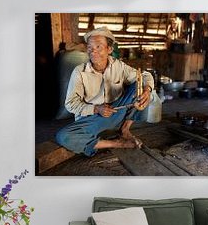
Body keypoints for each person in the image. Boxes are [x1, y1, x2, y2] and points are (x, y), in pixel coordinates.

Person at [56, 26, 154, 157]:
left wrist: (147, 91)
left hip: (118, 111)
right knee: (63, 137)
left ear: (109, 49)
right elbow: (70, 104)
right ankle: (119, 143)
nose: (93, 51)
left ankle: (125, 130)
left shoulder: (118, 66)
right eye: (90, 47)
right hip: (93, 119)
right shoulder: (80, 72)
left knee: (141, 85)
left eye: (98, 47)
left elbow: (144, 75)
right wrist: (96, 109)